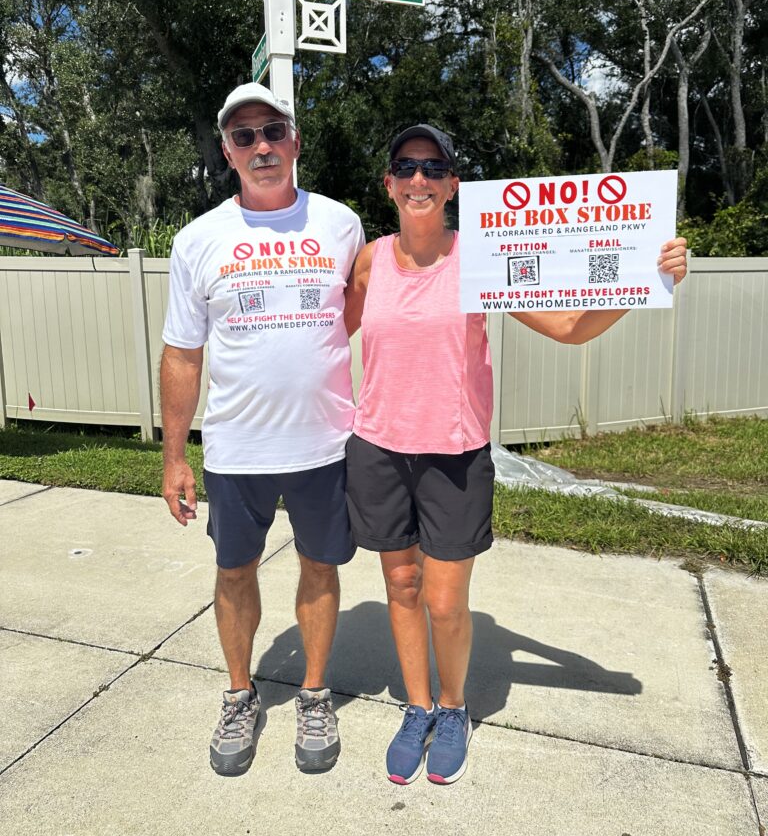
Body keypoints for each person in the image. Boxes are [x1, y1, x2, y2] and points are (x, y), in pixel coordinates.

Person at [343, 124, 687, 786]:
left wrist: (646, 278)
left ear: (452, 185)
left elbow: (566, 327)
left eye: (432, 168)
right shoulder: (368, 261)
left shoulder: (482, 257)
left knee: (444, 600)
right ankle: (415, 707)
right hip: (380, 448)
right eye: (405, 167)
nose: (418, 179)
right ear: (388, 184)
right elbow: (329, 338)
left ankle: (452, 708)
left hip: (454, 454)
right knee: (402, 586)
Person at [160, 83, 365, 778]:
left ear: (295, 140)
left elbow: (354, 315)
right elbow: (183, 356)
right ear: (227, 151)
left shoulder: (341, 224)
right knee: (233, 569)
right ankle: (240, 695)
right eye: (243, 137)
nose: (261, 146)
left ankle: (313, 693)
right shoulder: (198, 240)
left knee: (320, 565)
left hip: (324, 444)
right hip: (236, 448)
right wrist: (174, 457)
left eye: (272, 130)